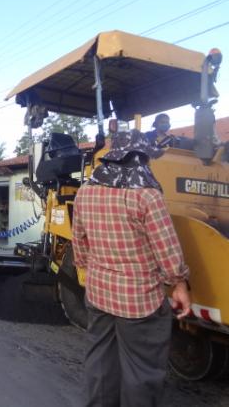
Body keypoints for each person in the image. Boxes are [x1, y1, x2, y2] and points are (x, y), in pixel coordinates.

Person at [72, 129, 191, 407]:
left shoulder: (86, 192)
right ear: (142, 156)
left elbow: (79, 242)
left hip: (99, 294)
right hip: (139, 302)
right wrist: (179, 284)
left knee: (100, 362)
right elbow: (167, 247)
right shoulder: (147, 196)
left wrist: (87, 270)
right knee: (141, 371)